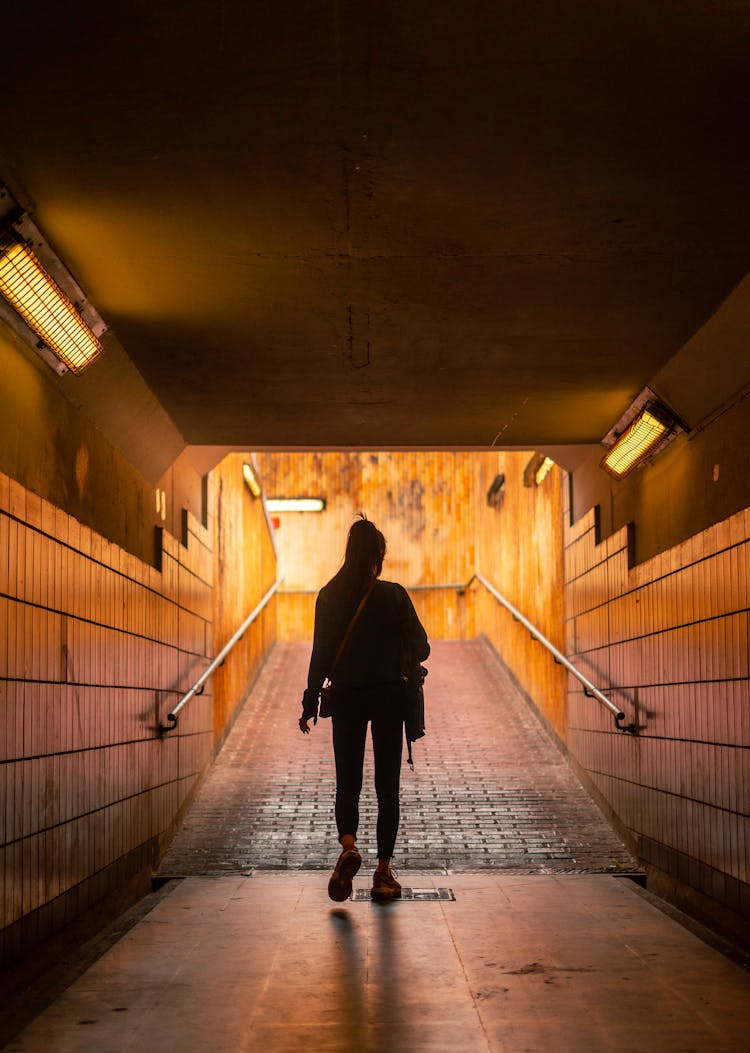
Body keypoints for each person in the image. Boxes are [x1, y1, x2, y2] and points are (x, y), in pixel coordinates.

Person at [298, 515, 430, 902]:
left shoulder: (329, 594)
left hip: (348, 698)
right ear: (378, 555)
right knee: (387, 787)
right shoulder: (393, 595)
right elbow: (421, 646)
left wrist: (309, 702)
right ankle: (383, 872)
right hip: (390, 698)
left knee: (348, 781)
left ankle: (349, 847)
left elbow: (320, 654)